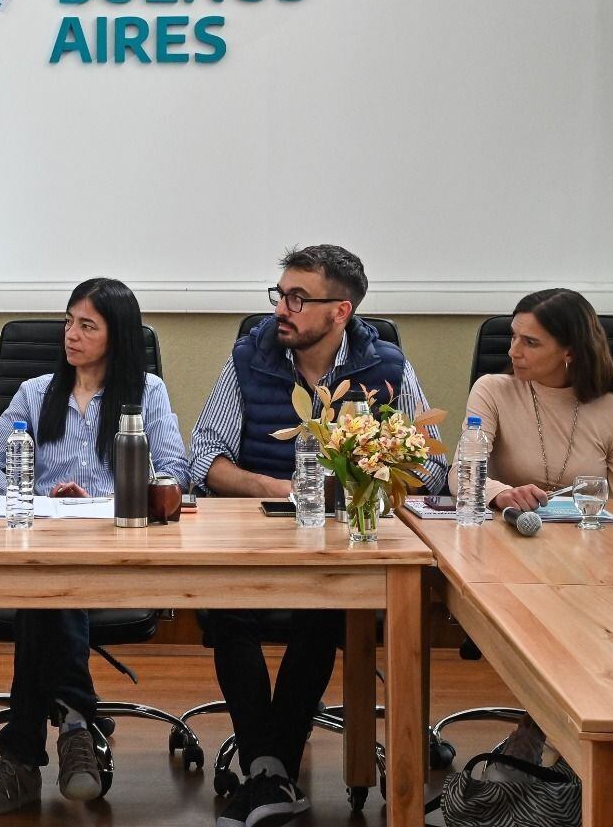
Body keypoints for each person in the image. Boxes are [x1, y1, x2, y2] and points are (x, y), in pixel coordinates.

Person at [188, 245, 448, 827]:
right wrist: (274, 487)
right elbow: (204, 457)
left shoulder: (386, 369)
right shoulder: (249, 358)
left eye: (298, 298)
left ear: (341, 312)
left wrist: (361, 480)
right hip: (255, 535)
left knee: (326, 610)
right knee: (226, 612)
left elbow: (430, 469)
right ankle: (270, 767)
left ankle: (266, 772)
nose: (283, 308)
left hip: (340, 541)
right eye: (280, 294)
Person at [0, 278, 187, 815]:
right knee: (47, 588)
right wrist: (30, 491)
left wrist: (106, 496)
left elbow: (174, 473)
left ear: (117, 335)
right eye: (68, 322)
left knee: (46, 596)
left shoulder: (145, 393)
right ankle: (77, 723)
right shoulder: (36, 393)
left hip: (114, 554)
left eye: (87, 325)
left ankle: (18, 760)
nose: (71, 335)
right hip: (40, 548)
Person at [468, 288, 613, 513]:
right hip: (507, 531)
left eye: (530, 342)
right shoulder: (492, 390)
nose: (513, 351)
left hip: (586, 540)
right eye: (513, 336)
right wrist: (501, 494)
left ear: (570, 352)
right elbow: (463, 474)